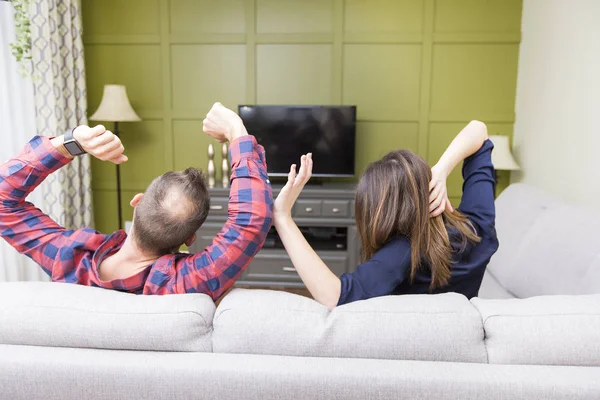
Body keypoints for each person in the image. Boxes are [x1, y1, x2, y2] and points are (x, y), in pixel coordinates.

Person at [0, 103, 273, 300]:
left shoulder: (67, 258)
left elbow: (4, 200)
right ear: (190, 238)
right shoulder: (184, 284)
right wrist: (237, 131)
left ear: (137, 202)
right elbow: (250, 223)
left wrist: (71, 142)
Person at [273, 120, 498, 309]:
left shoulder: (402, 254)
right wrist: (440, 170)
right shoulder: (477, 227)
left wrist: (283, 217)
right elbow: (478, 129)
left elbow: (334, 297)